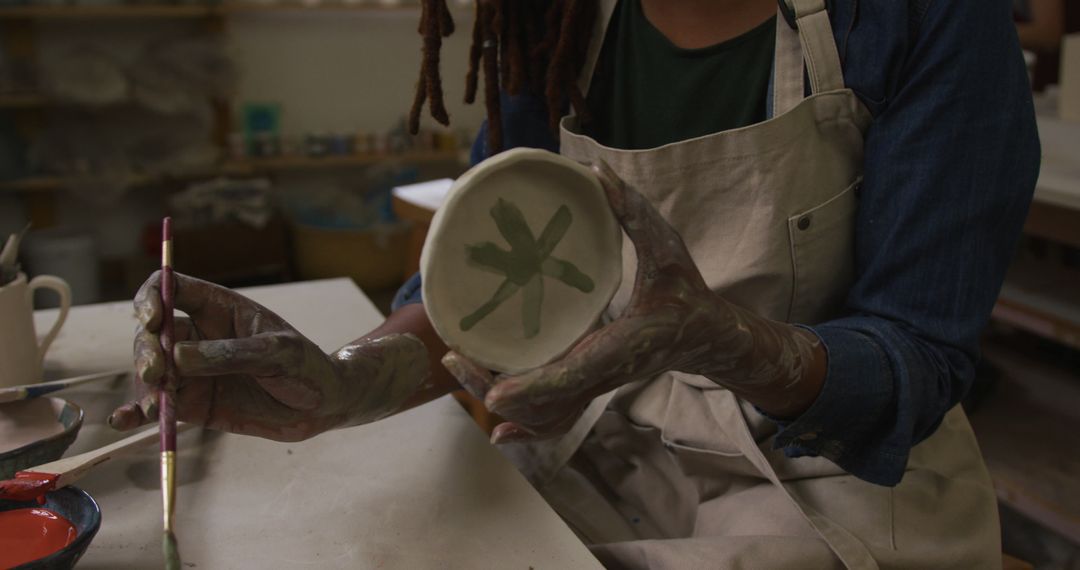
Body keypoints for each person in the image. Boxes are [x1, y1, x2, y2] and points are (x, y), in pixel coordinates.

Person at [110, 0, 1041, 567]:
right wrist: (348, 382)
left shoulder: (923, 15)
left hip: (830, 482)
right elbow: (483, 297)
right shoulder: (551, 19)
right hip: (598, 449)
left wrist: (730, 341)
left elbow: (918, 357)